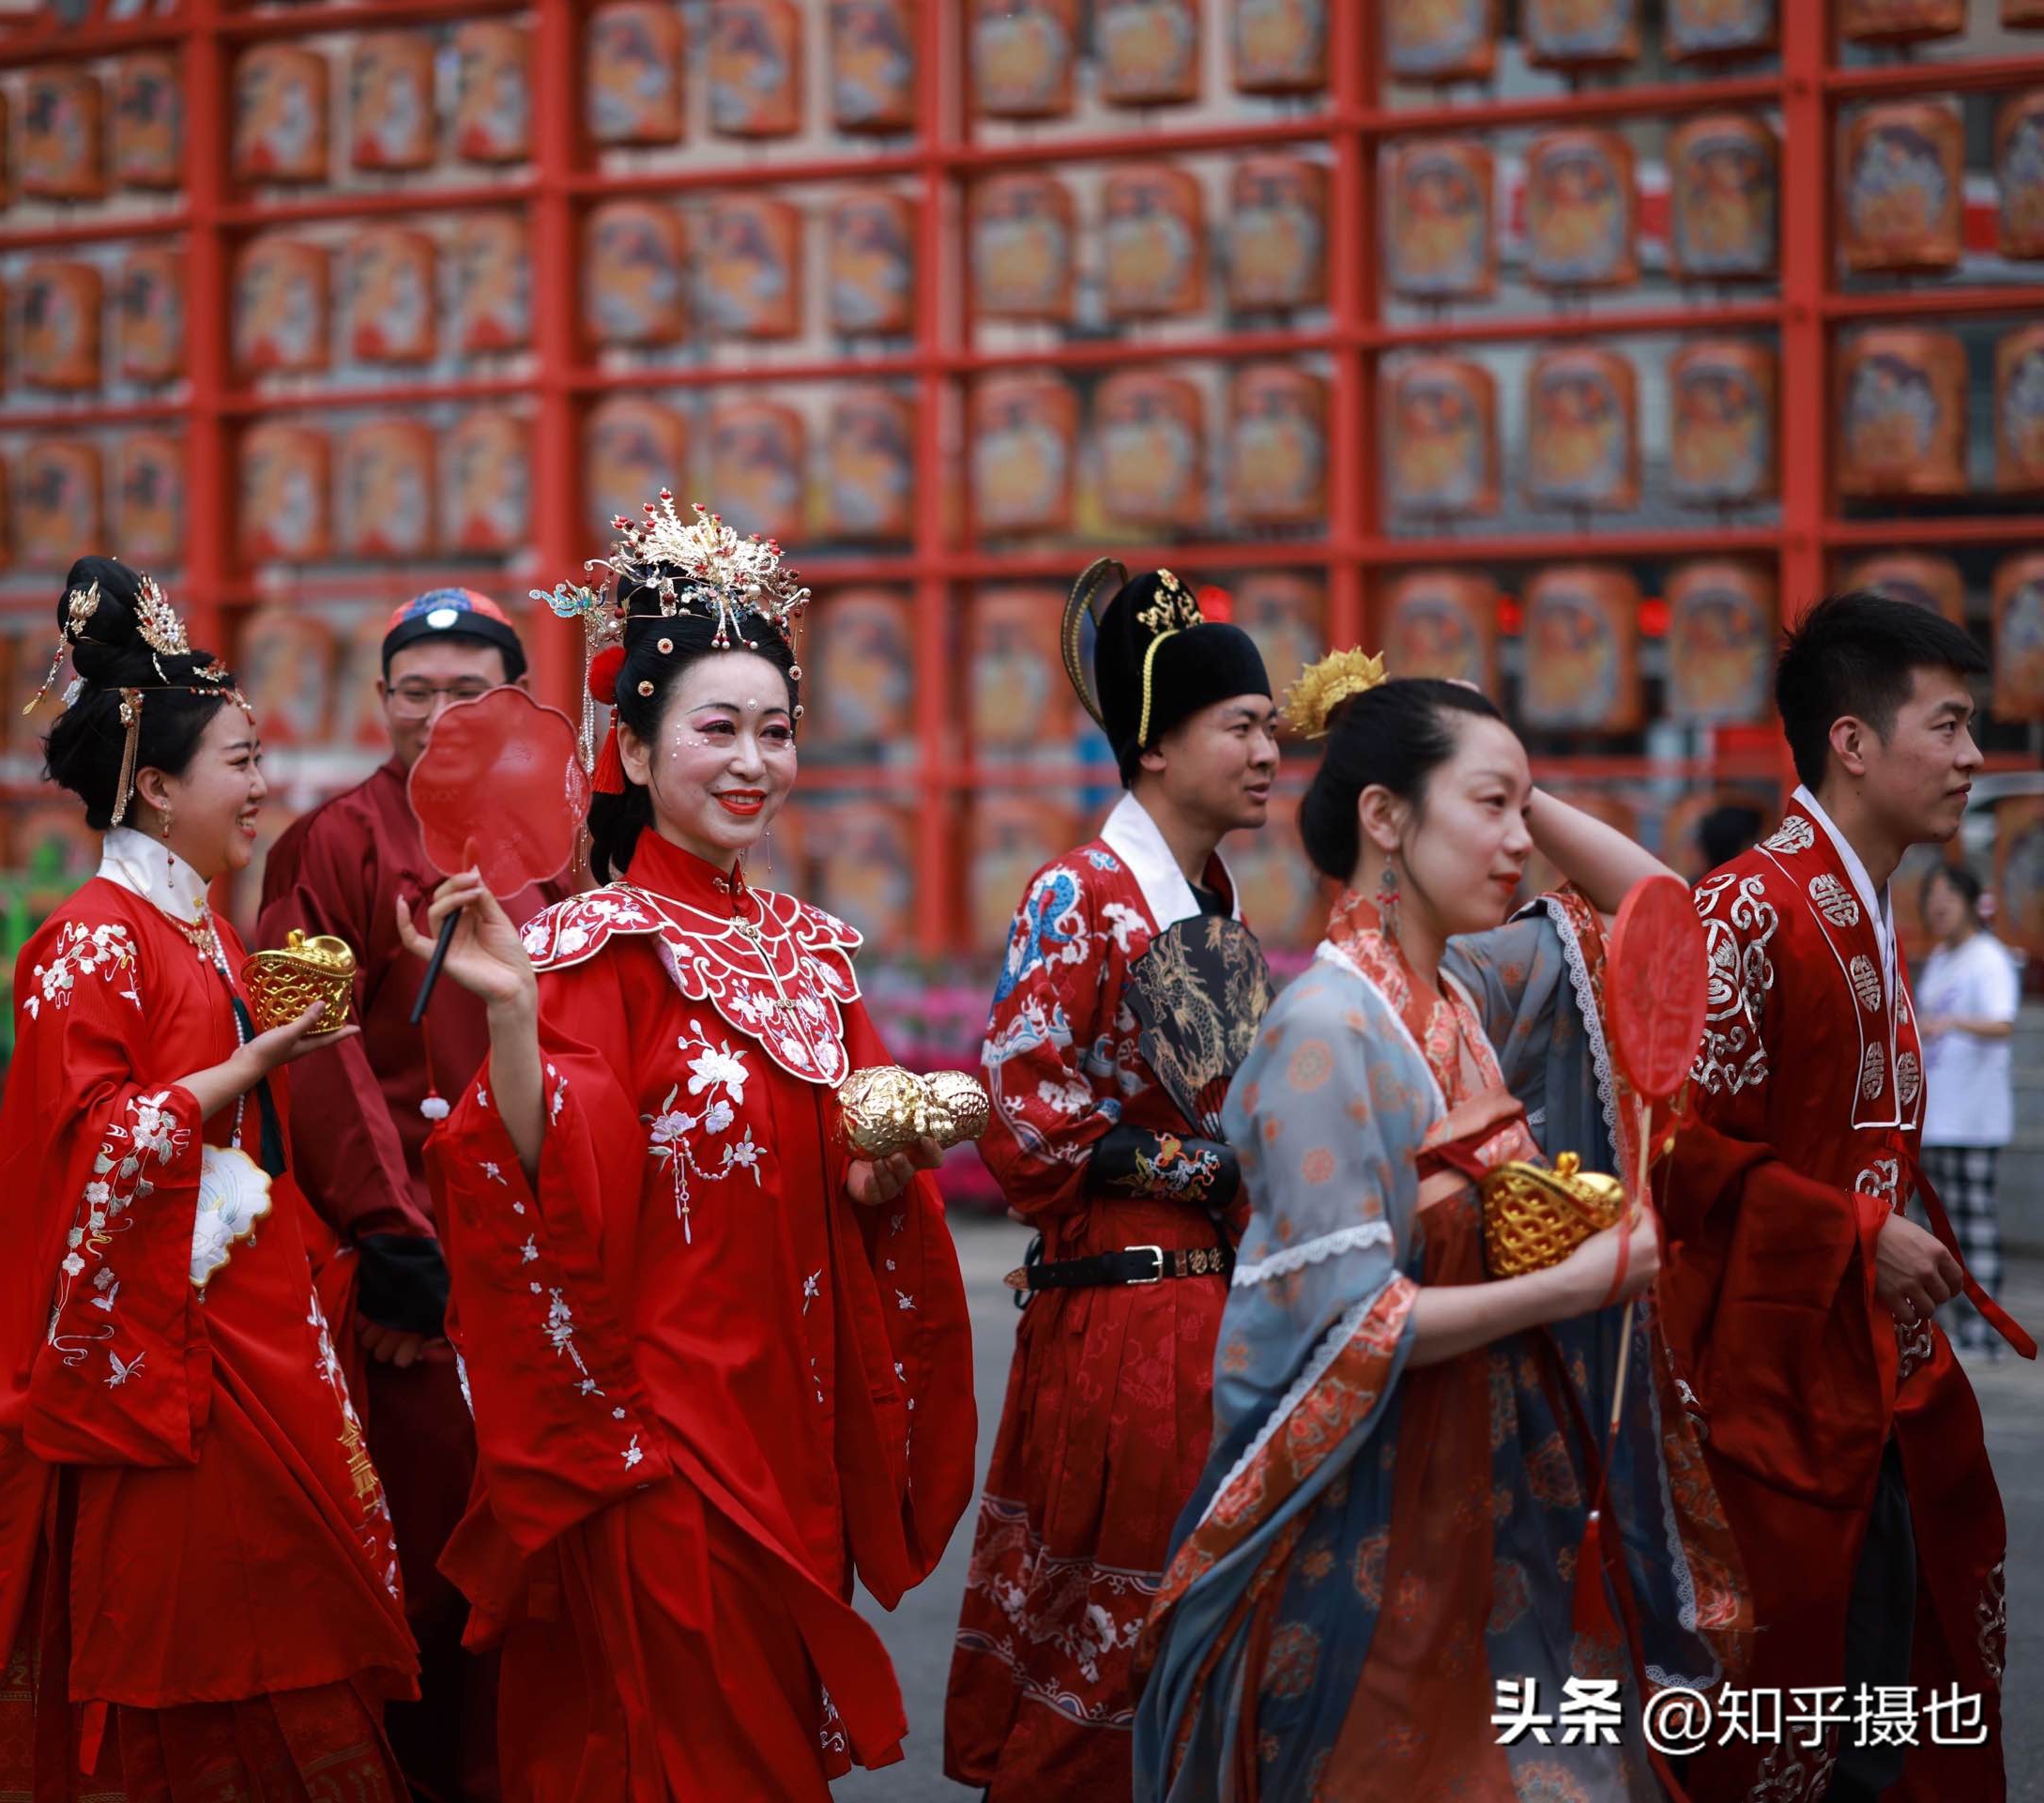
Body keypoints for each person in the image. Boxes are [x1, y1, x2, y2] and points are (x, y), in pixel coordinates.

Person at [405, 497, 977, 1798]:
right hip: (666, 1447)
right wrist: (512, 1019)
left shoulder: (810, 956)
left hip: (796, 1443)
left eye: (775, 730)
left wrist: (877, 1177)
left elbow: (848, 1166)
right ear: (633, 746)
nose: (752, 761)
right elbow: (541, 1174)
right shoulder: (591, 947)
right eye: (716, 729)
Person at [1136, 656, 1751, 1800]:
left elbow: (1662, 915)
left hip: (1492, 1511)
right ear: (1385, 816)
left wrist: (1499, 765)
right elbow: (1349, 1325)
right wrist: (1576, 1282)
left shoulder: (1466, 993)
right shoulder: (1328, 1031)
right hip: (1368, 1532)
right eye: (1491, 807)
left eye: (1527, 810)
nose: (1520, 840)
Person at [0, 557, 417, 1800]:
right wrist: (247, 1064)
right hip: (167, 1352)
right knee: (200, 1631)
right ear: (154, 784)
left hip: (246, 1314)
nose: (263, 786)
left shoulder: (205, 928)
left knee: (280, 1605)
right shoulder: (90, 939)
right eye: (241, 762)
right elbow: (91, 1143)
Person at [1665, 593, 2030, 1803]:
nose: (1973, 756)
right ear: (1853, 742)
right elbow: (1678, 1152)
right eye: (1949, 724)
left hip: (1867, 1371)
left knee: (1883, 1705)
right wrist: (1859, 1231)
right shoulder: (1746, 908)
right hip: (1767, 1389)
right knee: (1789, 1720)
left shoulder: (1863, 907)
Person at [943, 563, 1280, 1796]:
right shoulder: (1078, 894)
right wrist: (1213, 1166)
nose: (1267, 753)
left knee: (1186, 1646)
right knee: (1110, 1657)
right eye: (1240, 726)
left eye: (1271, 728)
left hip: (1206, 1305)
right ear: (1154, 746)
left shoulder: (1209, 900)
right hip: (1127, 1310)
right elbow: (1021, 1112)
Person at [255, 586, 569, 1803]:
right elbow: (311, 1041)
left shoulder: (562, 846)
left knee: (557, 1563)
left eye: (468, 692)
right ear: (381, 700)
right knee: (432, 1563)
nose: (438, 715)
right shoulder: (327, 845)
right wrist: (393, 1233)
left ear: (515, 704)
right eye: (415, 690)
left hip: (547, 1258)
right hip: (412, 1274)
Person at [1916, 861, 2018, 1361]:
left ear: (1971, 903)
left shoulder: (1988, 958)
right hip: (1937, 1119)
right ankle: (1954, 1332)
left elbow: (2003, 1024)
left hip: (1973, 1120)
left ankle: (1986, 1334)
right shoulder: (1940, 958)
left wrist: (1952, 1022)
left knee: (1973, 1227)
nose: (1939, 908)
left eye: (1948, 898)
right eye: (1932, 900)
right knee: (1941, 1232)